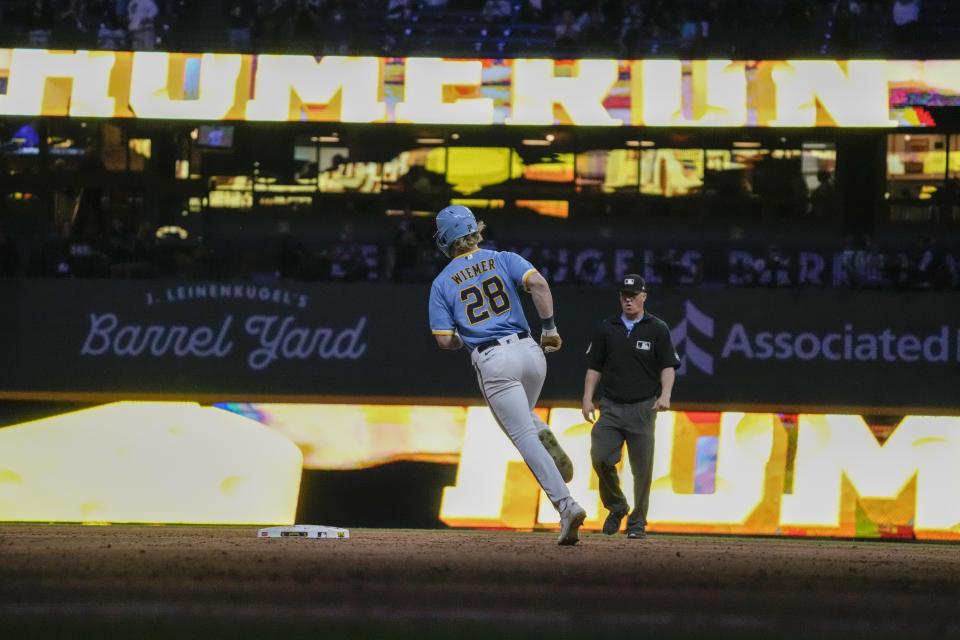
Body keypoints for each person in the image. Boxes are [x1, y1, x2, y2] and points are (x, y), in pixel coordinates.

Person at [428, 205, 585, 546]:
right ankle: (540, 426)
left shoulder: (441, 283)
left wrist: (465, 337)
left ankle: (566, 505)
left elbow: (443, 340)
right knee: (524, 420)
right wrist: (550, 329)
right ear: (474, 230)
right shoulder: (503, 258)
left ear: (445, 240)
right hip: (530, 351)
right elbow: (540, 285)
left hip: (494, 358)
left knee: (522, 437)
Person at [581, 274, 680, 539]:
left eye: (633, 295)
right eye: (624, 295)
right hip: (611, 406)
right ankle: (617, 506)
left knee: (642, 470)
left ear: (644, 297)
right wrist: (587, 397)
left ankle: (638, 522)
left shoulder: (657, 328)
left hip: (643, 408)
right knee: (600, 457)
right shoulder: (607, 327)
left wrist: (666, 394)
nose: (628, 300)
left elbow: (668, 365)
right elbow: (594, 366)